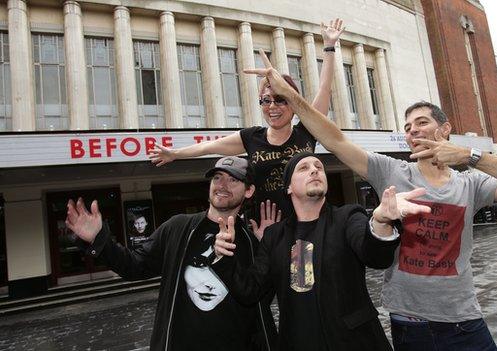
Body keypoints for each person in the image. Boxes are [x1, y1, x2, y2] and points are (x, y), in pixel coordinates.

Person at [244, 55, 497, 351]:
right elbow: (335, 140)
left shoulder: (471, 183)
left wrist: (471, 156)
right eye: (407, 126)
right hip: (410, 323)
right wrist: (289, 97)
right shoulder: (390, 170)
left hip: (463, 321)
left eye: (421, 122)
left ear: (444, 130)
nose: (412, 129)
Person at [215, 153, 432, 350]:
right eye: (303, 168)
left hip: (355, 342)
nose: (314, 170)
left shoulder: (348, 217)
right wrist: (225, 256)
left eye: (318, 166)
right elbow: (249, 290)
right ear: (288, 187)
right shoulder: (274, 236)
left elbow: (374, 254)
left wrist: (381, 223)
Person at [64, 156, 277, 351]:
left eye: (233, 180)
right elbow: (133, 266)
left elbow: (259, 300)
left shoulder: (252, 243)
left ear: (248, 191)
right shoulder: (178, 227)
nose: (222, 185)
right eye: (218, 178)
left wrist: (266, 245)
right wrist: (97, 239)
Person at [149, 19, 345, 223]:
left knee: (305, 256)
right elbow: (210, 146)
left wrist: (329, 46)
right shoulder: (252, 137)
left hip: (308, 225)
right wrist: (175, 154)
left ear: (293, 103)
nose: (272, 106)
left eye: (280, 99)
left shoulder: (307, 130)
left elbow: (324, 88)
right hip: (264, 231)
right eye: (266, 100)